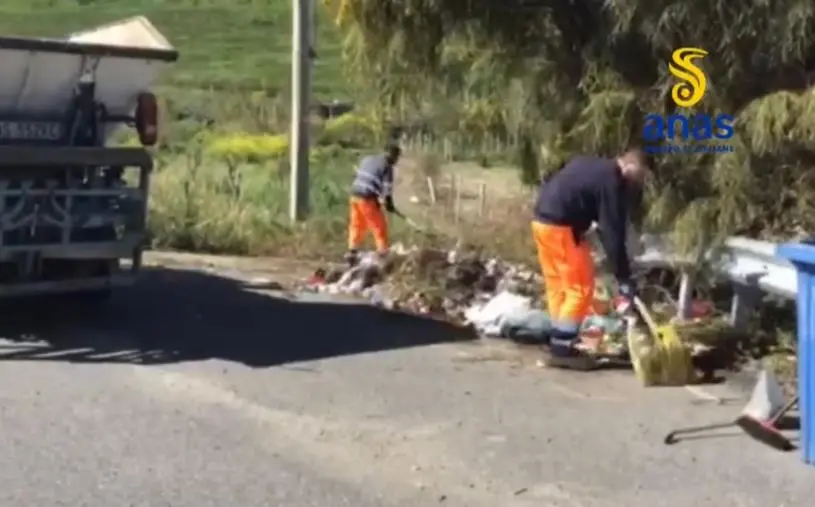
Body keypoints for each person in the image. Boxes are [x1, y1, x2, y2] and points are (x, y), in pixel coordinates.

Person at [531, 147, 650, 370]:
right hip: (562, 227)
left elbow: (573, 191)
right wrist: (623, 277)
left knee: (558, 286)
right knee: (580, 289)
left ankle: (559, 341)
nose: (639, 181)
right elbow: (611, 232)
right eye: (640, 175)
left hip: (541, 222)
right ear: (631, 166)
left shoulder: (589, 163)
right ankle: (561, 350)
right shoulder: (611, 181)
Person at [345, 144, 401, 265]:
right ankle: (383, 254)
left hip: (354, 195)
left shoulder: (368, 159)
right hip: (366, 197)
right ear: (393, 155)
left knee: (357, 224)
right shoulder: (387, 166)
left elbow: (360, 176)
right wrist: (389, 204)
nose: (397, 161)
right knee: (379, 226)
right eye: (397, 157)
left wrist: (381, 200)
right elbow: (387, 191)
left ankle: (352, 251)